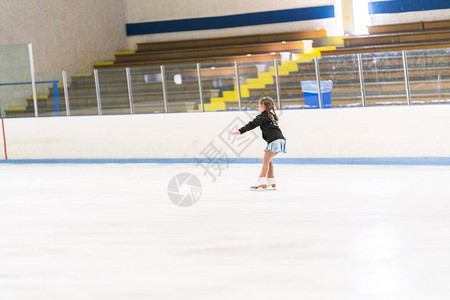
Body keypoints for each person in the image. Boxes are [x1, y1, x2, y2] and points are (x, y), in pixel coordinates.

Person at [230, 97, 286, 190]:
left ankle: (261, 180)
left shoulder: (262, 117)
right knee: (268, 160)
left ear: (263, 107)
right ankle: (271, 180)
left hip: (274, 141)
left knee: (265, 162)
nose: (258, 108)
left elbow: (251, 124)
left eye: (259, 106)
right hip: (281, 140)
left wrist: (240, 131)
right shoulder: (271, 115)